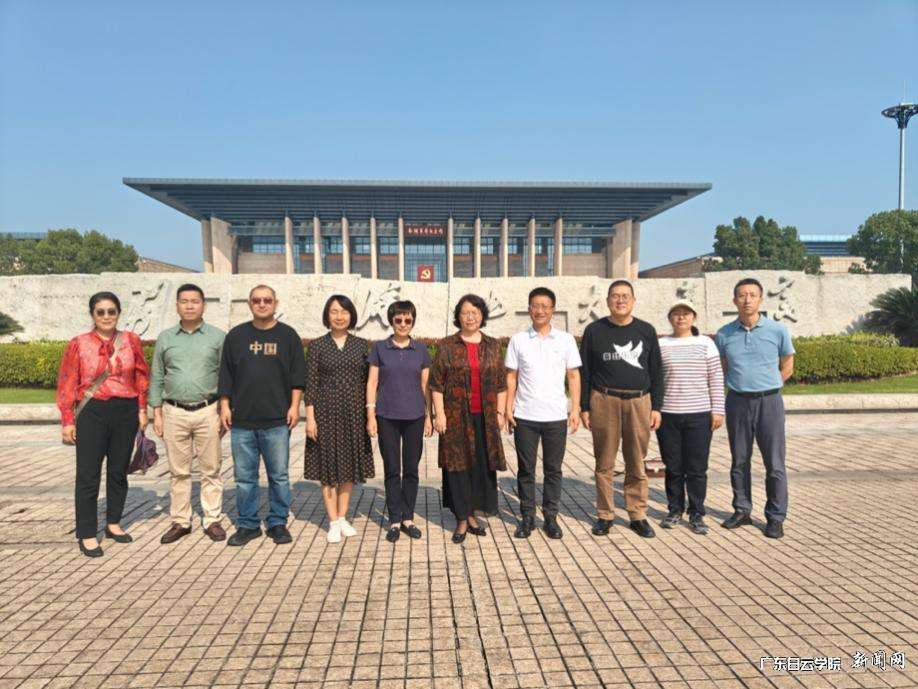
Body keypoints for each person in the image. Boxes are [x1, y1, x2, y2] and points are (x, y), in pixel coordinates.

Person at [57, 291, 150, 557]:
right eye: (101, 312)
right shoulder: (79, 343)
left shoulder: (131, 341)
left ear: (118, 314)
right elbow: (67, 381)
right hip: (92, 411)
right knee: (88, 474)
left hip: (125, 411)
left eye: (112, 311)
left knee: (118, 470)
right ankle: (87, 533)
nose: (107, 316)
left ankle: (113, 523)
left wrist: (142, 408)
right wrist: (67, 420)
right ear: (92, 315)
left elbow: (141, 377)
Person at [218, 285, 305, 547]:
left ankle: (277, 522)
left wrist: (294, 406)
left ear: (276, 303)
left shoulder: (288, 336)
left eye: (267, 300)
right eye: (257, 300)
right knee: (245, 478)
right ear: (249, 304)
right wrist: (224, 405)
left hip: (276, 420)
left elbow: (297, 376)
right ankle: (248, 524)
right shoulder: (236, 336)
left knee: (279, 476)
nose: (262, 304)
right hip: (242, 421)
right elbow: (226, 375)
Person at [580, 279, 663, 539]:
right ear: (607, 301)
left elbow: (656, 371)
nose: (620, 300)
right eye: (615, 296)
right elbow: (585, 372)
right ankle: (605, 515)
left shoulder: (646, 330)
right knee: (604, 462)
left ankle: (637, 514)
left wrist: (656, 406)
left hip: (639, 402)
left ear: (633, 300)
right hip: (604, 401)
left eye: (625, 296)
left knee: (636, 461)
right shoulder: (594, 330)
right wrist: (584, 407)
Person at [716, 278, 795, 539]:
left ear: (760, 299)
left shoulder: (777, 330)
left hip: (769, 402)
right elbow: (723, 368)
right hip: (737, 401)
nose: (747, 300)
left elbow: (787, 365)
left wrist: (769, 384)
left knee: (775, 462)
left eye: (752, 295)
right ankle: (742, 509)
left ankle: (775, 516)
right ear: (734, 300)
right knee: (739, 460)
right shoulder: (724, 334)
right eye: (742, 295)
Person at [150, 284, 227, 544]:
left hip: (209, 410)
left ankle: (212, 519)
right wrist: (157, 412)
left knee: (211, 469)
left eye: (195, 301)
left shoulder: (218, 337)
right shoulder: (166, 338)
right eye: (184, 301)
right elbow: (157, 375)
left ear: (204, 305)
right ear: (177, 306)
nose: (190, 306)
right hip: (174, 411)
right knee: (178, 471)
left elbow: (226, 375)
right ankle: (181, 521)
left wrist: (225, 409)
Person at [505, 287, 581, 539]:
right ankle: (527, 517)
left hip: (555, 415)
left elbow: (573, 375)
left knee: (553, 469)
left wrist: (575, 409)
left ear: (552, 310)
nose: (540, 310)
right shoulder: (518, 340)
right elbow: (511, 376)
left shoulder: (565, 340)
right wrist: (507, 408)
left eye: (545, 306)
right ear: (529, 309)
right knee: (526, 469)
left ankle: (550, 517)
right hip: (525, 415)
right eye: (535, 306)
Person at [430, 294, 507, 544]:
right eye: (465, 312)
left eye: (475, 312)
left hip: (485, 418)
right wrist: (439, 414)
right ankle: (462, 518)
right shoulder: (447, 346)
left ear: (482, 315)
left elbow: (501, 384)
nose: (470, 317)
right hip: (455, 418)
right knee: (458, 467)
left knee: (480, 466)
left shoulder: (493, 346)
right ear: (458, 316)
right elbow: (436, 384)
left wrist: (500, 413)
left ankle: (473, 514)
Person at [304, 295, 375, 543]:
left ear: (351, 315)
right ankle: (333, 521)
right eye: (334, 311)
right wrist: (310, 418)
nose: (339, 316)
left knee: (348, 467)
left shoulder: (360, 345)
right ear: (327, 315)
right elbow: (310, 384)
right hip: (325, 413)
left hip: (353, 413)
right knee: (328, 467)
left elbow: (368, 381)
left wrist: (369, 414)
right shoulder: (317, 346)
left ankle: (343, 517)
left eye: (344, 311)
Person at [656, 300, 725, 535]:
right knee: (673, 467)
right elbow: (655, 380)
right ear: (670, 318)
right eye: (676, 313)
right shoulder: (661, 344)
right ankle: (674, 509)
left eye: (686, 313)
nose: (681, 317)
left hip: (699, 414)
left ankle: (697, 513)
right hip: (669, 415)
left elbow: (715, 377)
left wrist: (718, 410)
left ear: (693, 317)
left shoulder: (705, 343)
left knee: (696, 468)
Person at [366, 301, 433, 543]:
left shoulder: (421, 350)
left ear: (413, 321)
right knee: (392, 469)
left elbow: (425, 386)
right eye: (398, 320)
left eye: (408, 320)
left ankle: (408, 518)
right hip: (387, 416)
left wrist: (429, 416)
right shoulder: (380, 348)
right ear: (391, 321)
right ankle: (394, 519)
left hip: (415, 417)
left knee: (412, 470)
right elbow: (372, 383)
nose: (403, 324)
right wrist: (370, 415)